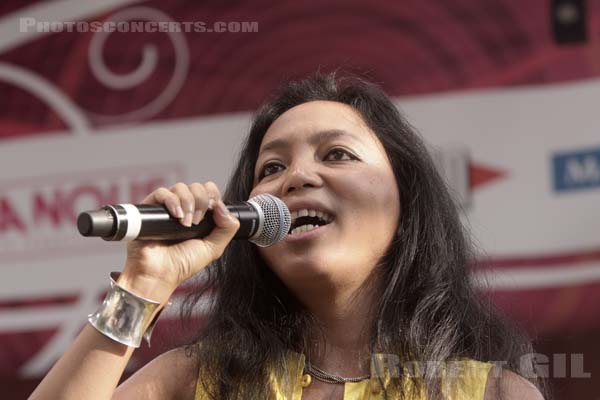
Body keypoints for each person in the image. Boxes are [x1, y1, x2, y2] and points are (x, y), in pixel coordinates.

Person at [30, 72, 548, 400]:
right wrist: (143, 283)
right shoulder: (191, 382)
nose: (295, 177)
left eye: (337, 154)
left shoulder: (494, 392)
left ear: (406, 200)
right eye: (272, 166)